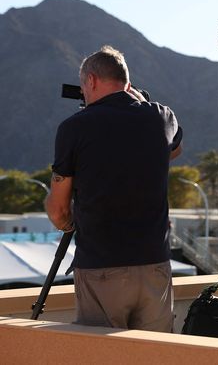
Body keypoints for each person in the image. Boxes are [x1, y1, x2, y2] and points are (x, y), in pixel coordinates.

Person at [45, 45, 183, 332]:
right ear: (128, 84)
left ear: (91, 81)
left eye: (84, 86)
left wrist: (69, 221)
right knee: (157, 355)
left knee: (104, 356)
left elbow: (58, 210)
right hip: (155, 265)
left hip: (102, 266)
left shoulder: (75, 127)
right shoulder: (162, 116)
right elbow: (174, 148)